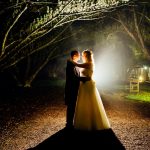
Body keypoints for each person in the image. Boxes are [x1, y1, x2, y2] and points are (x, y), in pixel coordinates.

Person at [72, 49, 111, 130]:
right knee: (84, 102)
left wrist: (70, 60)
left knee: (90, 102)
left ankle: (92, 122)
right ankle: (84, 121)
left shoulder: (89, 64)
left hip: (88, 84)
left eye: (83, 55)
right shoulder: (87, 63)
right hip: (84, 85)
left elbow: (77, 65)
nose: (82, 56)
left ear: (86, 56)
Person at [64, 50, 91, 129]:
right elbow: (73, 78)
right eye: (78, 55)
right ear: (74, 56)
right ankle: (69, 123)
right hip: (71, 88)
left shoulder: (74, 64)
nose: (80, 56)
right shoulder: (70, 65)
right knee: (71, 106)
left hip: (75, 88)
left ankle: (70, 122)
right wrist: (85, 78)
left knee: (73, 105)